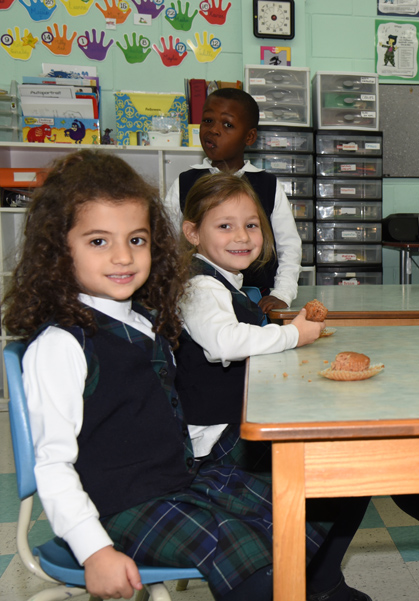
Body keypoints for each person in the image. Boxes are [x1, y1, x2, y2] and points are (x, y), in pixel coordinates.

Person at [177, 171, 419, 584]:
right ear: (192, 233)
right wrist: (293, 333)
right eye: (225, 226)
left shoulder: (224, 281)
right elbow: (223, 341)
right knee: (357, 458)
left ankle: (353, 573)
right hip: (220, 442)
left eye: (251, 225)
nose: (242, 235)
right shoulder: (201, 285)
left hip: (236, 421)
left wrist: (294, 333)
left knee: (362, 452)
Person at [2, 150, 286, 601]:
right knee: (244, 553)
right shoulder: (61, 344)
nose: (122, 256)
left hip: (175, 481)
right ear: (58, 248)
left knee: (297, 504)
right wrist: (94, 551)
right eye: (99, 241)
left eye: (136, 240)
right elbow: (51, 465)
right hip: (116, 509)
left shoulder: (141, 318)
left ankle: (318, 584)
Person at [163, 87, 302, 314]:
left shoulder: (268, 186)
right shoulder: (184, 183)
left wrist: (282, 293)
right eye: (208, 120)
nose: (214, 130)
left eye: (227, 125)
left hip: (258, 299)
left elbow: (290, 247)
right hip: (199, 299)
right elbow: (166, 243)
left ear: (249, 137)